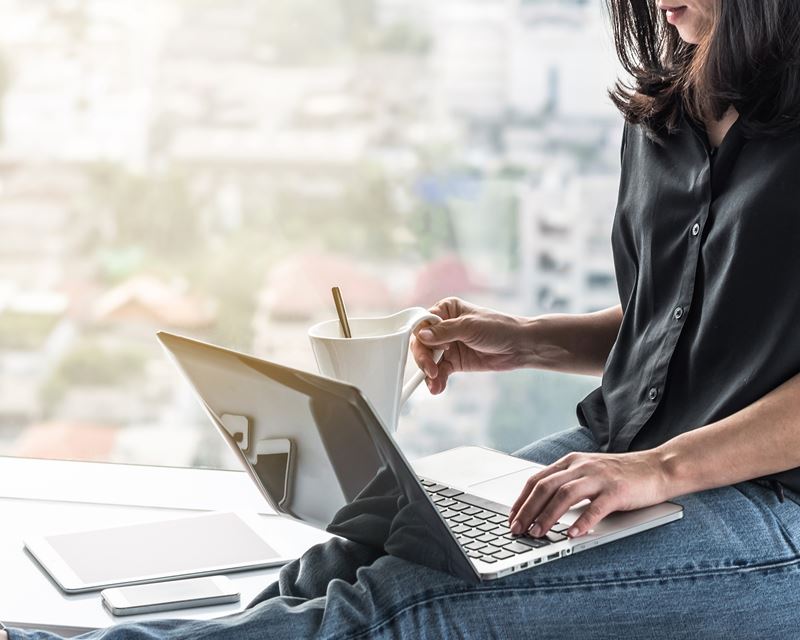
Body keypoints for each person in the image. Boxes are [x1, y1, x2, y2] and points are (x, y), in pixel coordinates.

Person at [6, 0, 800, 637]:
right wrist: (526, 341)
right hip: (624, 450)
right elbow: (695, 317)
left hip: (767, 505)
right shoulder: (667, 114)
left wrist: (657, 470)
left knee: (400, 612)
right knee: (350, 553)